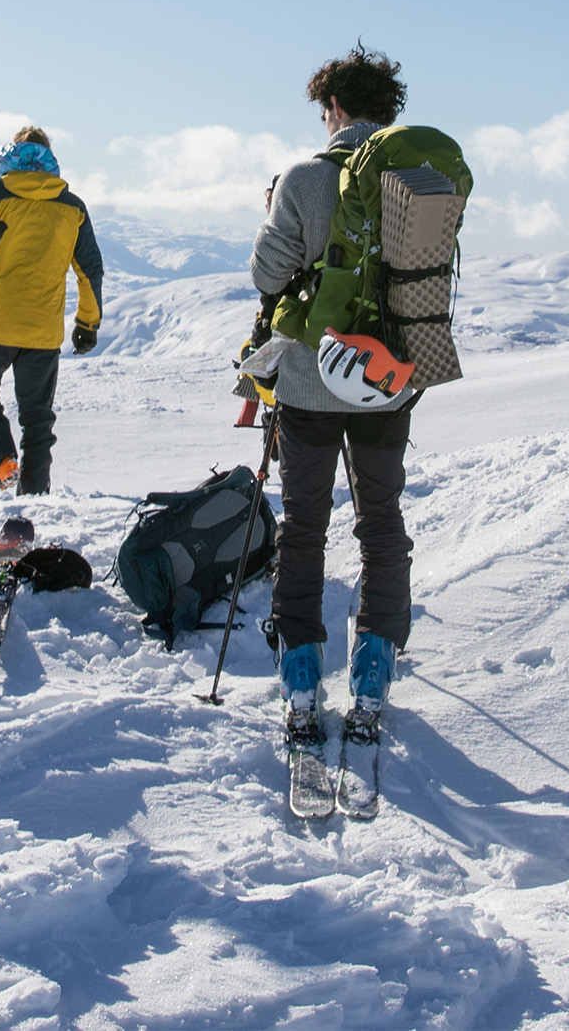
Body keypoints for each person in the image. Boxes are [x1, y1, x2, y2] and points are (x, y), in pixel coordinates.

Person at [249, 46, 413, 733]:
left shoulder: (305, 176)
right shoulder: (422, 175)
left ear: (335, 108)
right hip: (388, 383)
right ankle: (374, 666)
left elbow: (266, 276)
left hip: (312, 383)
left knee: (304, 528)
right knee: (380, 524)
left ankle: (301, 676)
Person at [0, 126, 103, 496]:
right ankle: (35, 495)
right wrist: (88, 321)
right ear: (49, 157)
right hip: (43, 330)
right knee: (37, 418)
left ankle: (1, 458)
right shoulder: (72, 208)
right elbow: (89, 270)